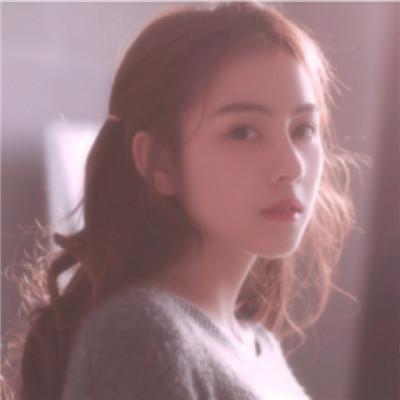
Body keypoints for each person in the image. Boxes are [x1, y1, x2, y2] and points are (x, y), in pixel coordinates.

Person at [2, 2, 360, 399]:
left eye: (303, 129)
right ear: (162, 163)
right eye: (243, 132)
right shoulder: (140, 337)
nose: (292, 166)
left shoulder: (258, 346)